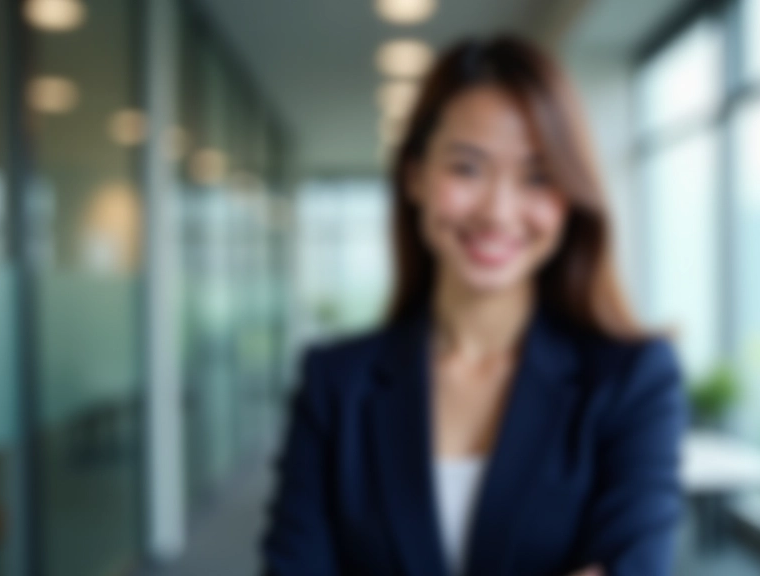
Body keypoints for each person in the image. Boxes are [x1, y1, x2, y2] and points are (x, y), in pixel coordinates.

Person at [260, 34, 686, 576]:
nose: (498, 211)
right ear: (414, 175)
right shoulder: (335, 384)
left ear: (569, 197)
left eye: (537, 177)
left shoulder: (632, 379)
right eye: (466, 168)